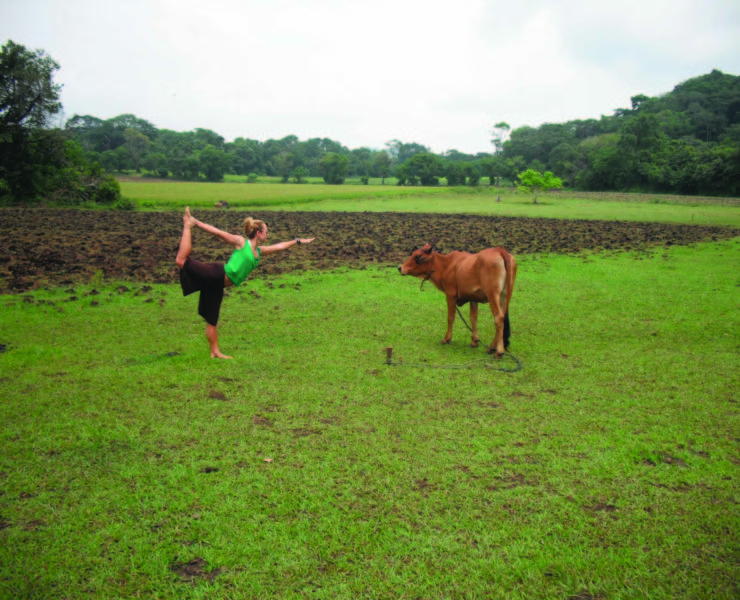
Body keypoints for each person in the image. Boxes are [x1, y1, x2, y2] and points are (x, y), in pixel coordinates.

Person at [175, 206, 314, 359]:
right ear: (259, 233)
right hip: (216, 274)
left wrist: (298, 241)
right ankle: (187, 226)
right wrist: (195, 223)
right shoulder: (242, 243)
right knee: (181, 261)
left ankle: (215, 352)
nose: (268, 234)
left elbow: (279, 247)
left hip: (218, 284)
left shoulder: (259, 252)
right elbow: (217, 232)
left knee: (212, 319)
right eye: (266, 231)